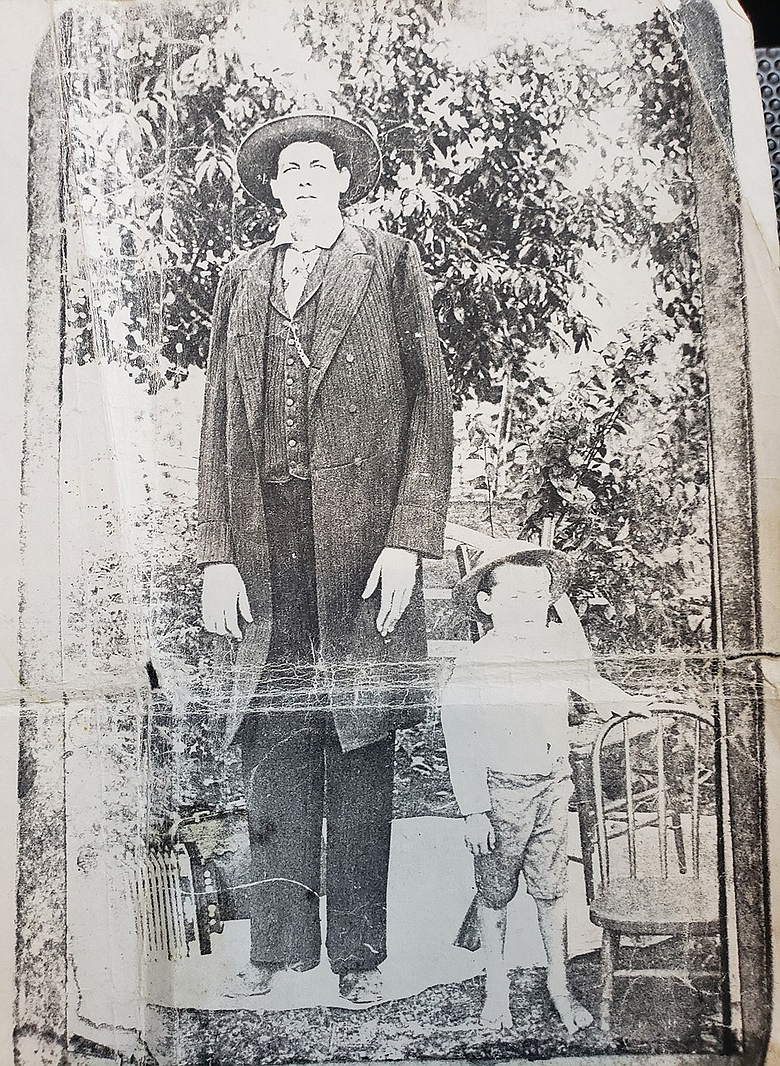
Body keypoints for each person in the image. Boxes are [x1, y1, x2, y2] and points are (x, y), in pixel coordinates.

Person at [197, 112, 453, 1003]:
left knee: (358, 742)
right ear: (271, 187)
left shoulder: (390, 263)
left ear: (344, 181)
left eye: (320, 165)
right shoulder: (240, 279)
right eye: (289, 168)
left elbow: (431, 409)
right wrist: (215, 556)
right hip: (265, 551)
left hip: (360, 552)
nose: (304, 177)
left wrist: (409, 541)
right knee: (272, 743)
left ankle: (357, 961)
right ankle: (272, 953)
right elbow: (217, 428)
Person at [440, 541, 651, 1031]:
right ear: (486, 603)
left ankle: (559, 985)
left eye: (538, 596)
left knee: (552, 891)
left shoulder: (555, 649)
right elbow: (461, 739)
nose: (529, 607)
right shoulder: (475, 664)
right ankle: (497, 992)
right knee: (495, 896)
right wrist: (473, 809)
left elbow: (591, 681)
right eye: (514, 597)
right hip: (499, 797)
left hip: (554, 787)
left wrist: (626, 701)